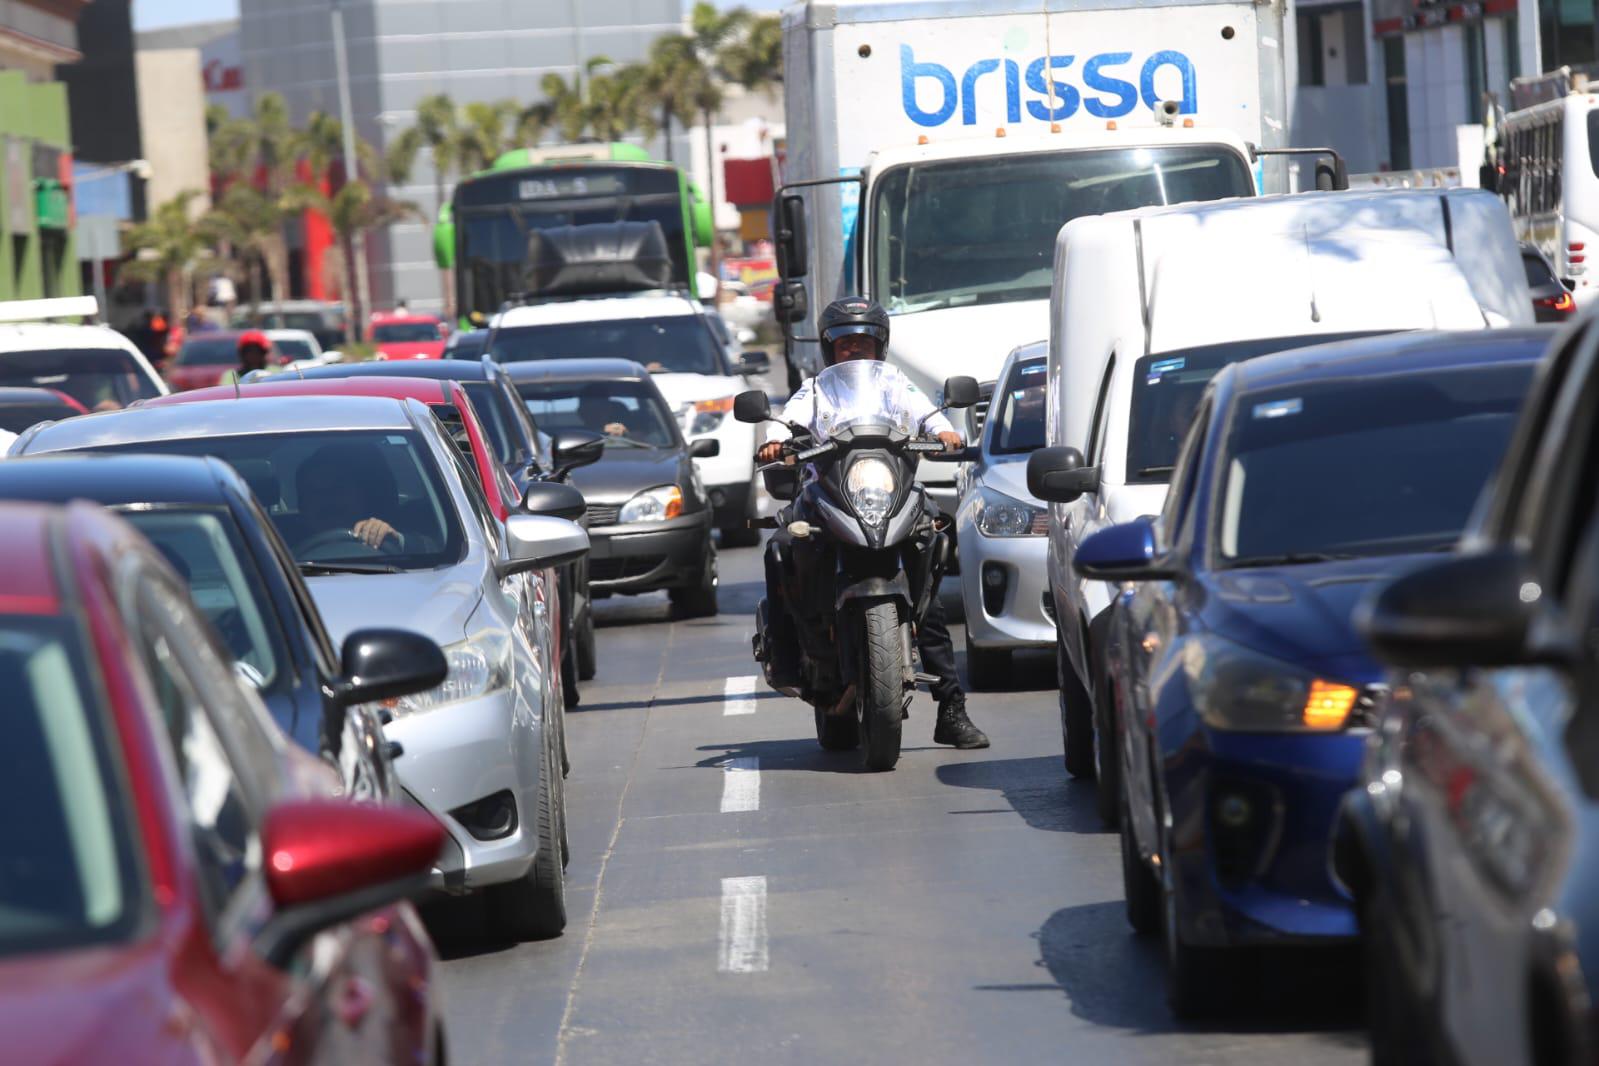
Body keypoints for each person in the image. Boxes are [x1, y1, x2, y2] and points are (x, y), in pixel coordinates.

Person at [758, 297, 989, 749]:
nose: (854, 349)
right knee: (781, 547)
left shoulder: (895, 384)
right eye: (845, 343)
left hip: (885, 486)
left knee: (929, 556)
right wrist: (775, 440)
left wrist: (944, 432)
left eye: (862, 342)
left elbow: (925, 413)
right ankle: (786, 657)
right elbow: (786, 421)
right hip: (828, 489)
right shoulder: (816, 390)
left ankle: (952, 708)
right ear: (830, 348)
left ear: (879, 346)